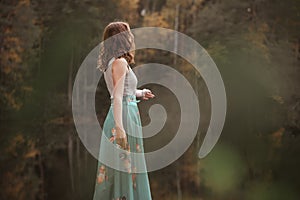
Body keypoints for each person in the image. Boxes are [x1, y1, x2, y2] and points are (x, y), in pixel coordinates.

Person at [93, 21, 154, 200]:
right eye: (129, 33)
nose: (132, 36)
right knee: (125, 168)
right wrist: (120, 128)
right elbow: (117, 97)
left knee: (127, 167)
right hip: (124, 117)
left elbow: (124, 91)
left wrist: (141, 93)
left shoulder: (116, 62)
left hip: (127, 113)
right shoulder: (119, 63)